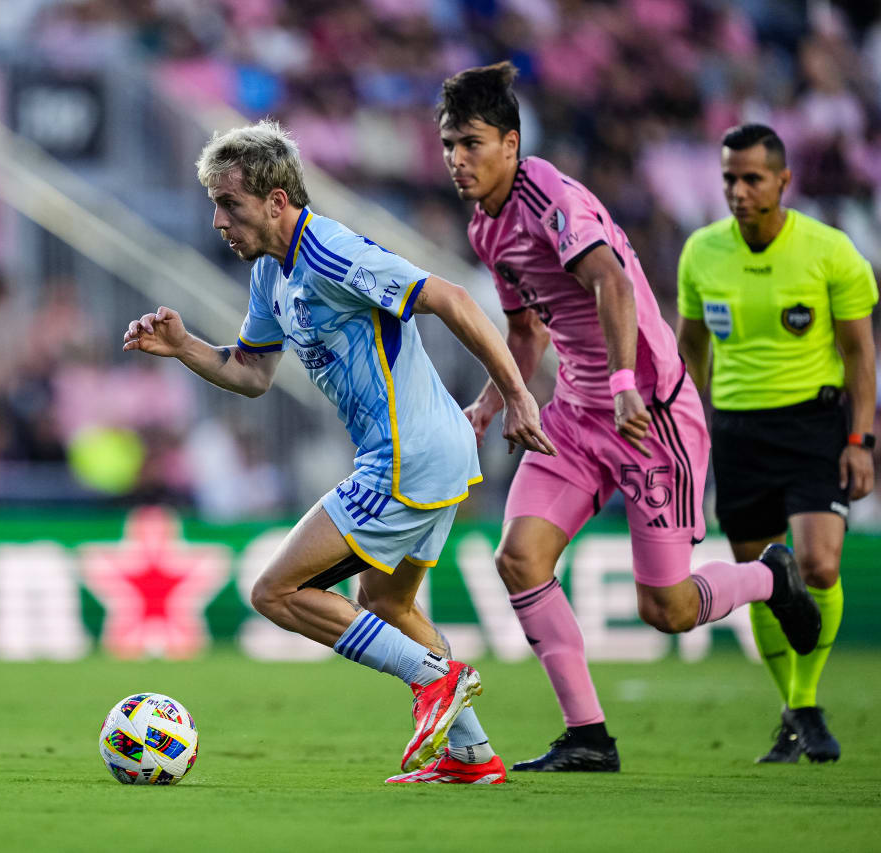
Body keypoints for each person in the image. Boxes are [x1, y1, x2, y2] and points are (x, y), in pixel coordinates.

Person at [123, 119, 555, 784]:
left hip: (407, 457)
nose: (217, 221)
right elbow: (251, 373)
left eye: (229, 204)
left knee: (275, 591)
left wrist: (517, 395)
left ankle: (435, 679)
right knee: (386, 604)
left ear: (274, 200)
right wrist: (184, 347)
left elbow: (451, 297)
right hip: (428, 454)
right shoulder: (272, 272)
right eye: (214, 204)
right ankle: (472, 755)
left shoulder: (332, 251)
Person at [440, 63, 823, 772]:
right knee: (519, 557)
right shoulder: (486, 230)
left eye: (470, 142)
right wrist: (490, 404)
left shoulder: (549, 195)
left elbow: (609, 280)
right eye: (448, 145)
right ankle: (588, 735)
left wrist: (623, 382)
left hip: (649, 414)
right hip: (578, 414)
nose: (456, 159)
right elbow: (526, 334)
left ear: (512, 143)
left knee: (668, 609)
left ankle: (772, 574)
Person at [677, 124, 877, 764]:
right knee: (762, 574)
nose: (738, 190)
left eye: (753, 178)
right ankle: (793, 711)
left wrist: (861, 439)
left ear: (783, 181)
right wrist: (686, 432)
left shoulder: (829, 250)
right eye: (730, 178)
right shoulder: (701, 252)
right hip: (737, 430)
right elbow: (690, 351)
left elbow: (859, 354)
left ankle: (806, 702)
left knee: (818, 567)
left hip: (814, 425)